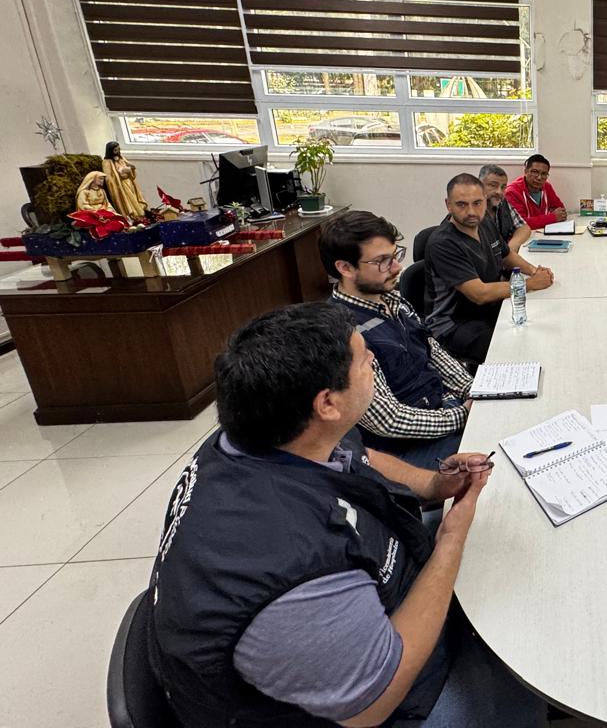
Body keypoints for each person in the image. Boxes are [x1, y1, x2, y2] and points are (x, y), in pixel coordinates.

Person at [145, 302, 545, 727]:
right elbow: (375, 702)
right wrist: (450, 540)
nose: (374, 360)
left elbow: (358, 455)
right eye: (365, 360)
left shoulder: (264, 436)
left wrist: (434, 485)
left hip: (366, 598)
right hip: (369, 703)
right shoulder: (288, 567)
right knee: (523, 668)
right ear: (328, 403)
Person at [321, 210, 473, 466]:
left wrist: (475, 391)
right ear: (345, 268)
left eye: (395, 255)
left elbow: (433, 352)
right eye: (382, 261)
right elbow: (388, 420)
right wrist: (461, 416)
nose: (396, 267)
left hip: (441, 412)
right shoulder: (342, 333)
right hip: (404, 449)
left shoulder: (393, 300)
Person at [427, 173, 554, 363]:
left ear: (485, 201)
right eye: (461, 204)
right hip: (454, 324)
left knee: (542, 325)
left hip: (488, 309)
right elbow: (479, 294)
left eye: (477, 203)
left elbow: (506, 255)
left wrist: (534, 271)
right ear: (448, 205)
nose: (471, 211)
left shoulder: (484, 222)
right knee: (517, 350)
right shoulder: (443, 243)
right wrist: (530, 284)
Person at [504, 153, 567, 229]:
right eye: (535, 172)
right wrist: (552, 217)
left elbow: (561, 211)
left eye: (544, 174)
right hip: (524, 234)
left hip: (543, 232)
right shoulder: (512, 192)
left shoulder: (547, 186)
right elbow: (521, 223)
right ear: (526, 171)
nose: (539, 177)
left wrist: (537, 221)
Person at [478, 164, 531, 252]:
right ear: (479, 185)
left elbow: (523, 227)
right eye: (493, 185)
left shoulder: (502, 203)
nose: (499, 192)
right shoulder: (472, 210)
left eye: (503, 187)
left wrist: (512, 246)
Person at [103, 140, 148, 221]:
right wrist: (119, 173)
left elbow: (128, 164)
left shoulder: (121, 158)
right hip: (121, 185)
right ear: (110, 151)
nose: (118, 151)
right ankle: (134, 215)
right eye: (115, 150)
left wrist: (131, 168)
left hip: (129, 181)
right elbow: (109, 177)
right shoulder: (106, 162)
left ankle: (141, 214)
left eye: (118, 149)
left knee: (134, 197)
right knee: (129, 199)